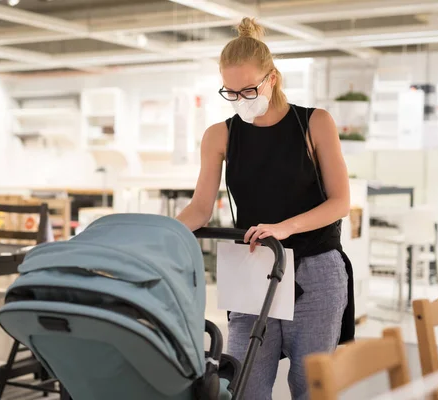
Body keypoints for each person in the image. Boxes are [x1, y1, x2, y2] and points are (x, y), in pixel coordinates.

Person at [175, 17, 354, 400]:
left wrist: (286, 227)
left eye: (249, 89)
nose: (241, 99)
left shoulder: (314, 123)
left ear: (272, 78)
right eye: (231, 92)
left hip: (315, 271)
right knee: (243, 385)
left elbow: (341, 202)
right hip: (254, 269)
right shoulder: (219, 135)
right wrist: (161, 235)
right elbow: (200, 208)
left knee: (311, 387)